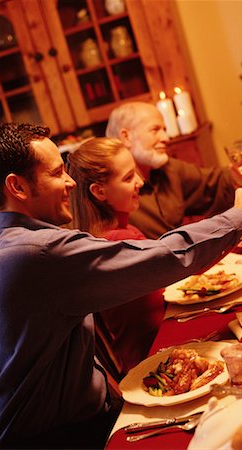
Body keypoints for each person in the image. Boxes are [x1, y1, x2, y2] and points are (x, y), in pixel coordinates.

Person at [0, 122, 242, 449]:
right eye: (58, 173)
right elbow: (161, 259)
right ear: (17, 187)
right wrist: (241, 216)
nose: (71, 182)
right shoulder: (38, 254)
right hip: (63, 435)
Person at [67, 137, 165, 379]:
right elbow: (176, 266)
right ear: (99, 191)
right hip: (152, 366)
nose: (141, 182)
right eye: (128, 177)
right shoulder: (115, 243)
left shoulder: (120, 232)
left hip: (158, 350)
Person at [105, 101, 242, 239]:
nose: (166, 138)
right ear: (126, 137)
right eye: (155, 130)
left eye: (164, 130)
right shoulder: (110, 191)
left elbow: (212, 182)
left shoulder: (167, 169)